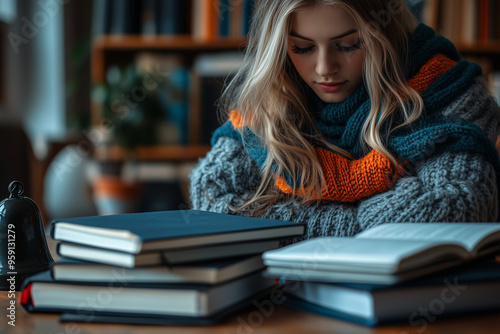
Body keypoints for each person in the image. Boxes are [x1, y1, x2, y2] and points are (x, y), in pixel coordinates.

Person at [189, 0, 500, 239]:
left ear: (384, 33)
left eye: (349, 44)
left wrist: (285, 225)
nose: (325, 67)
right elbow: (212, 199)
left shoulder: (448, 92)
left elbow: (459, 202)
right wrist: (359, 225)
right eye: (303, 47)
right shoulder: (270, 106)